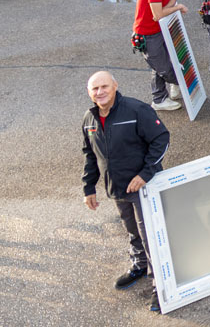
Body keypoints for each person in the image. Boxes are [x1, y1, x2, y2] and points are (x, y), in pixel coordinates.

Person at [82, 71, 169, 312]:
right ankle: (140, 265)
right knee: (132, 231)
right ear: (89, 93)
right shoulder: (89, 120)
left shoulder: (136, 110)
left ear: (115, 86)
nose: (99, 92)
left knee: (151, 236)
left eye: (104, 87)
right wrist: (89, 186)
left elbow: (161, 139)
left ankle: (160, 287)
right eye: (94, 89)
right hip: (117, 189)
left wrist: (144, 175)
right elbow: (90, 155)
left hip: (143, 188)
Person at [133, 0, 187, 112]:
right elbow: (157, 14)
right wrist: (177, 8)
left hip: (160, 28)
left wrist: (169, 8)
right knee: (164, 68)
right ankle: (165, 95)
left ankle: (159, 97)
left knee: (159, 65)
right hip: (147, 33)